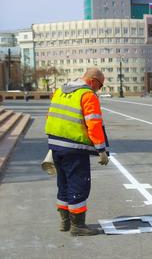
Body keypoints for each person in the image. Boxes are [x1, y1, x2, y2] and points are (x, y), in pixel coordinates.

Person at [45, 67, 109, 236]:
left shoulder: (60, 91)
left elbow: (50, 116)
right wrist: (101, 149)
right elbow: (94, 124)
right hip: (74, 148)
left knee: (63, 183)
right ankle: (78, 226)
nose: (99, 89)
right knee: (78, 184)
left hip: (56, 145)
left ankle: (65, 222)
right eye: (100, 85)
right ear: (93, 81)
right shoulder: (87, 95)